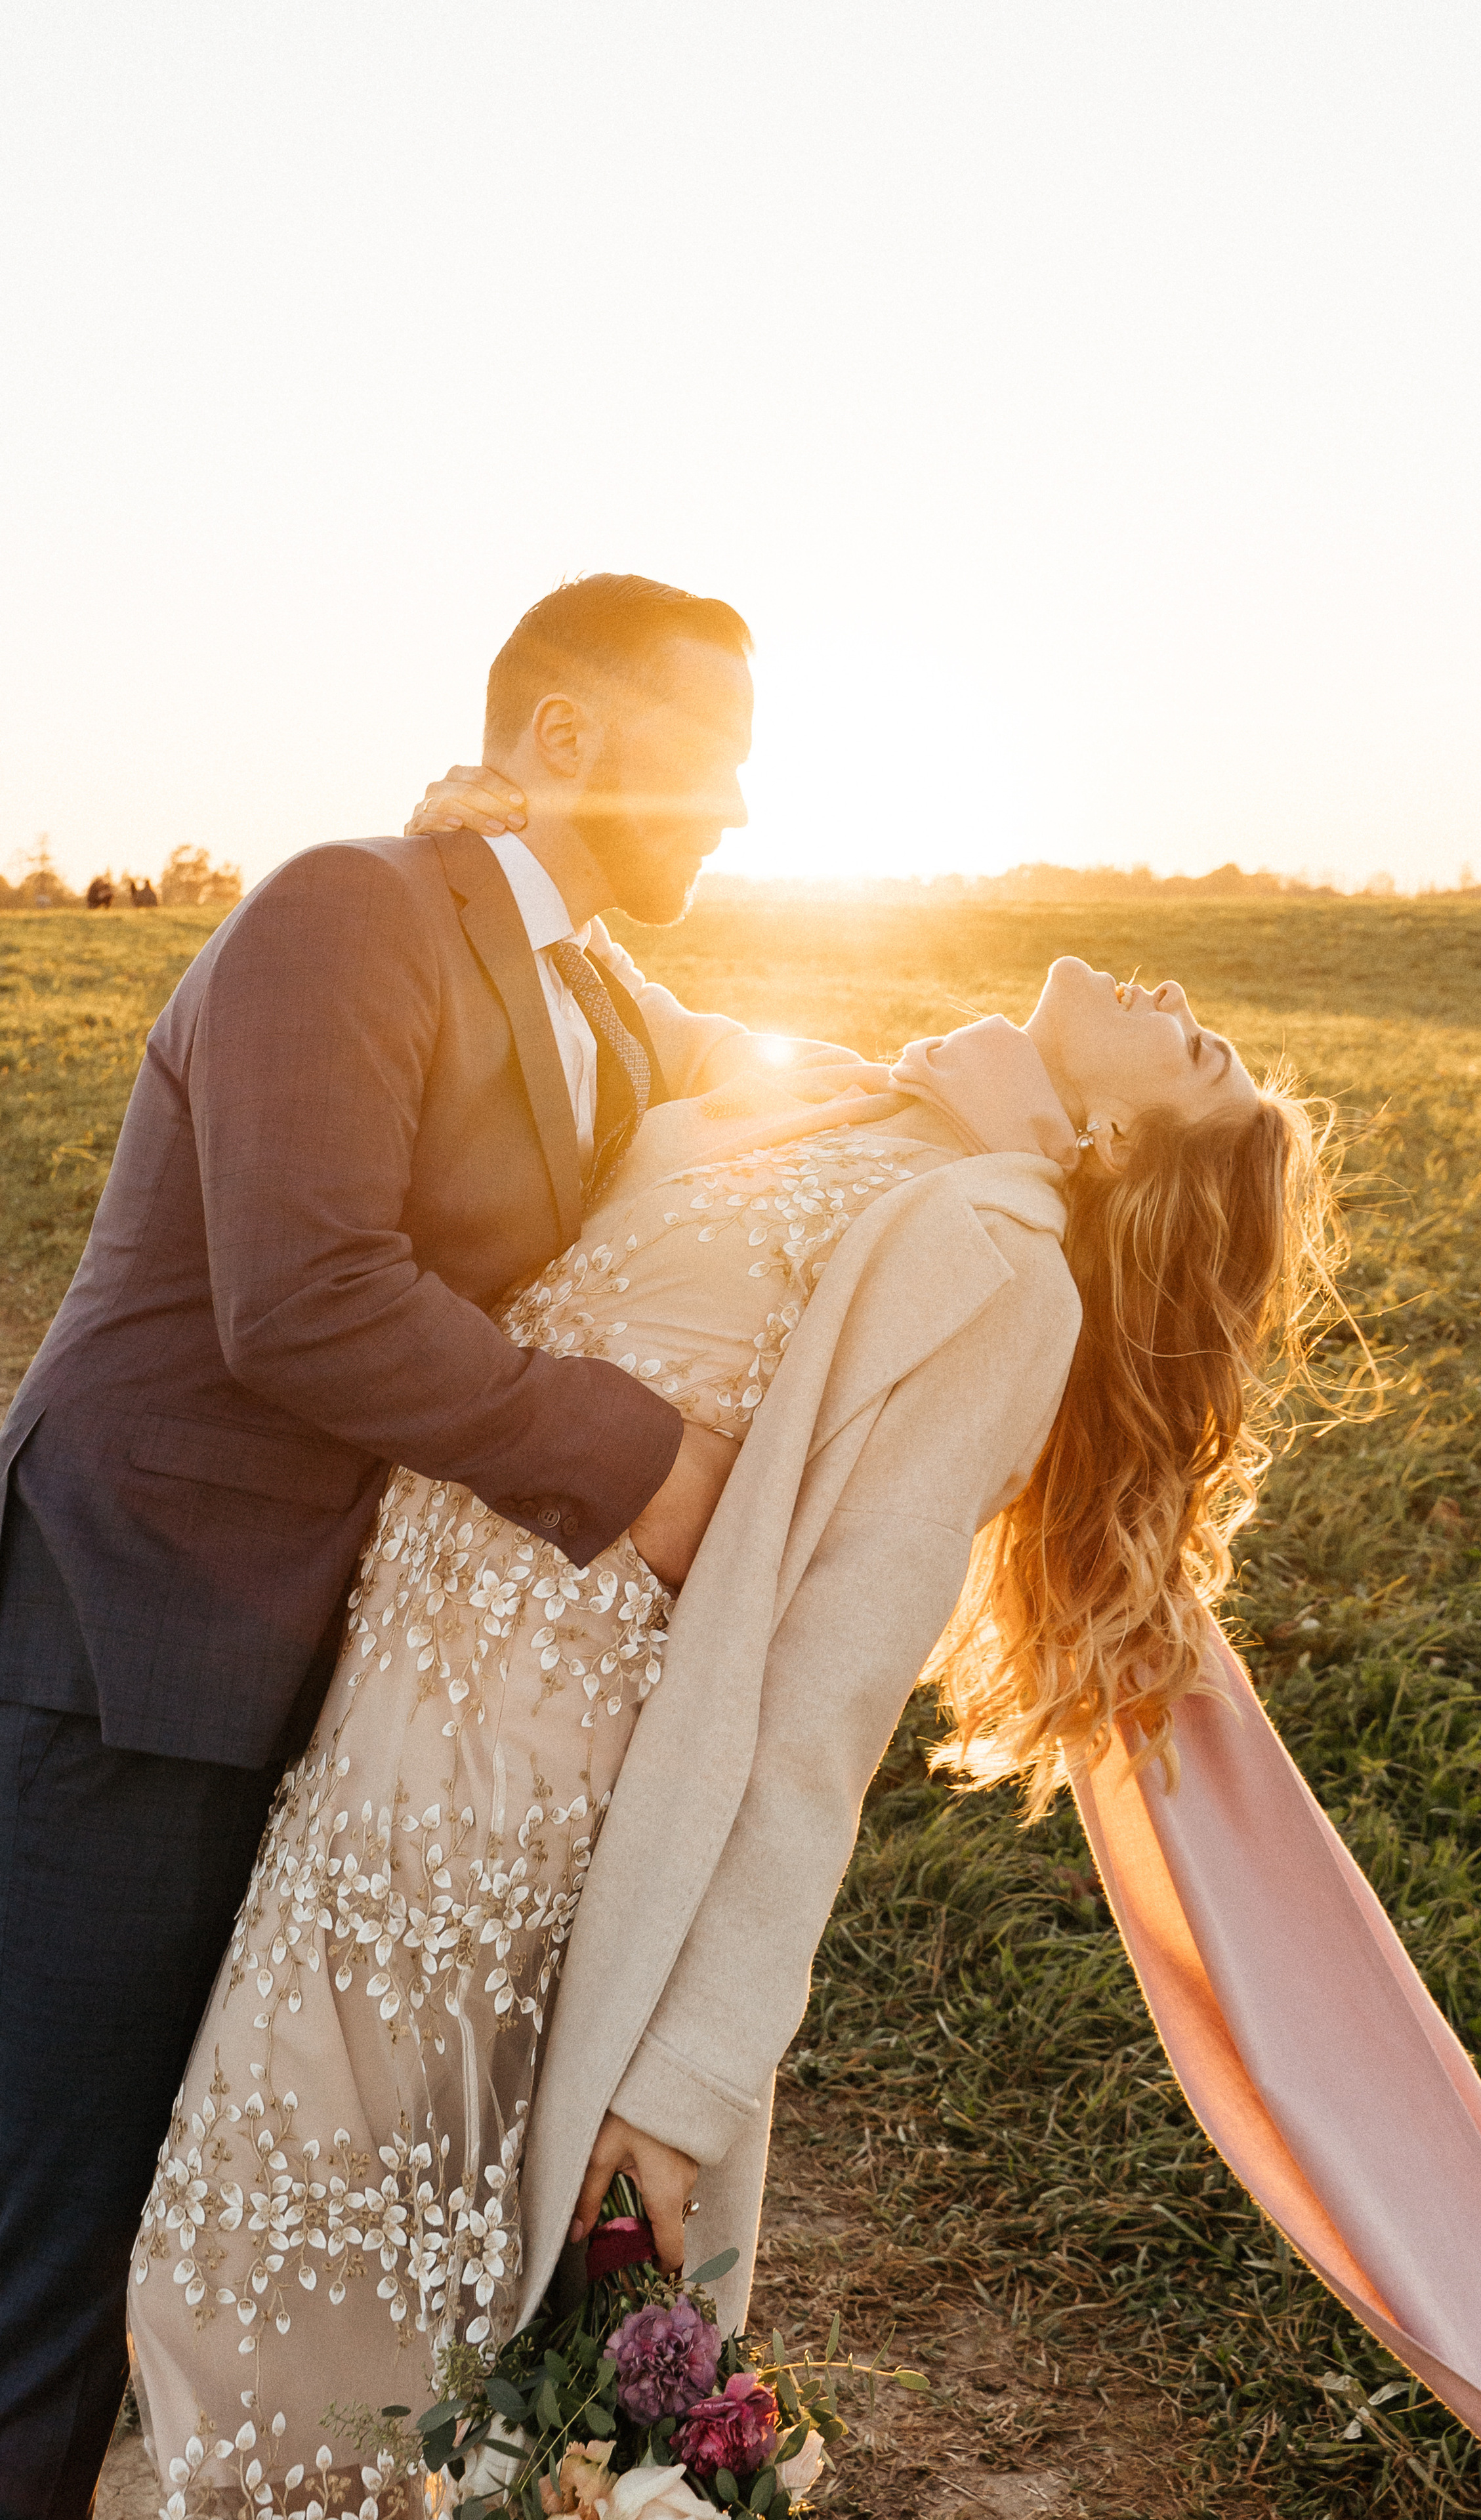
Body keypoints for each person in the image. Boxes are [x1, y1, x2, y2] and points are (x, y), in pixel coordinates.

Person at [125, 936, 1285, 2513]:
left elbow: (829, 1700)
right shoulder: (868, 1101)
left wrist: (688, 2077)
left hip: (524, 1811)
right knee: (228, 2253)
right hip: (385, 1725)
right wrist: (516, 867)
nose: (1174, 996)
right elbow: (652, 1026)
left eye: (1197, 1050)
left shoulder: (1004, 1266)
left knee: (337, 2331)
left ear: (1117, 1148)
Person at [0, 576, 822, 2520]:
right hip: (135, 1642)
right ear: (561, 740)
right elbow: (306, 1298)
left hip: (309, 1677)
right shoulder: (345, 909)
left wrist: (1039, 1102)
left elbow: (781, 1079)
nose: (737, 810)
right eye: (715, 759)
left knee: (188, 2217)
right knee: (47, 2246)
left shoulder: (603, 990)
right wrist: (645, 1466)